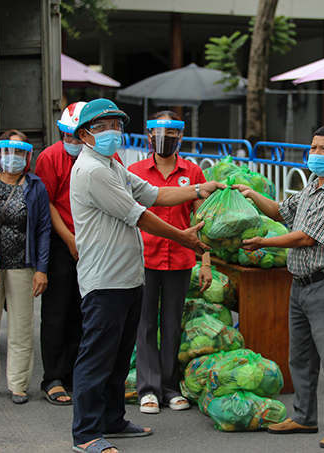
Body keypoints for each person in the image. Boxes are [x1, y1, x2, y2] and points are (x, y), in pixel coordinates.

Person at [69, 98, 224, 453]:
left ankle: (113, 420)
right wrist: (184, 238)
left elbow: (155, 194)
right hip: (104, 280)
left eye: (116, 126)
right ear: (84, 135)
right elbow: (138, 214)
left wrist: (200, 189)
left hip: (128, 278)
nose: (112, 133)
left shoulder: (111, 165)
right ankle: (86, 433)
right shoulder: (92, 170)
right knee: (96, 358)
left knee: (119, 358)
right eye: (102, 127)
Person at [234, 125, 324, 449]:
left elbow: (306, 237)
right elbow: (281, 211)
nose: (315, 155)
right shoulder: (314, 187)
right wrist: (251, 194)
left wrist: (265, 241)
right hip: (300, 285)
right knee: (300, 358)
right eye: (313, 148)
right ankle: (304, 416)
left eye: (323, 150)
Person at [128, 111, 212, 414]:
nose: (165, 139)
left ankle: (169, 387)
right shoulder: (135, 171)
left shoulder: (193, 173)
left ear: (181, 136)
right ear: (149, 135)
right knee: (145, 323)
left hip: (180, 259)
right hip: (144, 258)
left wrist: (206, 262)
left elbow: (203, 222)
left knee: (173, 324)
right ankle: (147, 389)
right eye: (159, 132)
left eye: (172, 133)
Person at [0, 130, 51, 404]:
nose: (13, 157)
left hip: (23, 265)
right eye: (9, 150)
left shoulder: (35, 186)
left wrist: (41, 268)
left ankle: (18, 384)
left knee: (21, 326)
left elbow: (43, 230)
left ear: (27, 155)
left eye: (20, 151)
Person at [34, 102, 86, 405]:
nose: (73, 142)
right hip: (61, 241)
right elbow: (47, 203)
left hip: (93, 243)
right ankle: (51, 377)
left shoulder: (107, 156)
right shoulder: (50, 157)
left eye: (78, 136)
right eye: (67, 136)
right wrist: (68, 239)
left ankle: (75, 373)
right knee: (56, 312)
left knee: (84, 312)